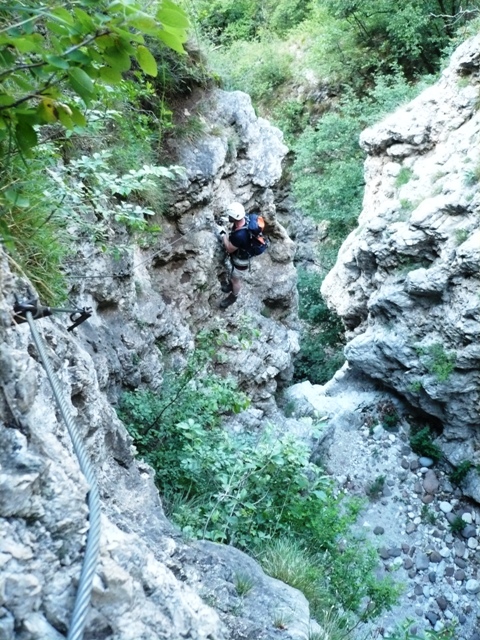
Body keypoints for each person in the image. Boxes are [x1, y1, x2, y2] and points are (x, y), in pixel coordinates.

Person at [218, 202, 251, 309]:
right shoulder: (245, 219)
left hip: (241, 261)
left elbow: (229, 248)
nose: (229, 217)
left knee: (235, 279)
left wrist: (223, 234)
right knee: (232, 275)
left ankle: (234, 296)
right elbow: (235, 221)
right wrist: (224, 221)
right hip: (241, 253)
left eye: (229, 216)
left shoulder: (240, 235)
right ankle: (230, 286)